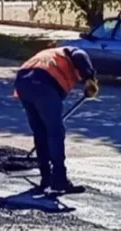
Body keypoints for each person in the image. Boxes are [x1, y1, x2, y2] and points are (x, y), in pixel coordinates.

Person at [14, 45, 100, 194]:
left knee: (40, 132)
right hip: (42, 84)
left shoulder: (51, 55)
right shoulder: (72, 52)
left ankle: (46, 178)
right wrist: (90, 79)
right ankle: (59, 180)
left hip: (22, 82)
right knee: (55, 133)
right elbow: (80, 55)